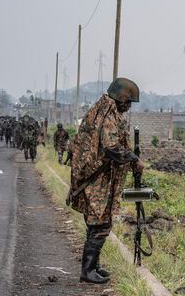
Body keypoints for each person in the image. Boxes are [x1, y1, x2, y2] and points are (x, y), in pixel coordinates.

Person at [68, 77, 143, 284]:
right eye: (128, 102)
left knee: (96, 223)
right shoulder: (108, 114)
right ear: (120, 98)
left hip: (96, 179)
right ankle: (88, 271)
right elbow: (111, 147)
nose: (128, 107)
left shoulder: (103, 110)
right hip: (96, 180)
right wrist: (133, 158)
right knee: (100, 224)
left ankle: (94, 267)